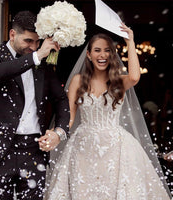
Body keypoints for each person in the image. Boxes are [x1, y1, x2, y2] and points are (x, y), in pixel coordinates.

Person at [44, 23, 171, 199]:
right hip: (83, 148)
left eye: (107, 50)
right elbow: (69, 117)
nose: (102, 55)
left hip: (116, 148)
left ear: (112, 55)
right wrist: (56, 134)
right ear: (89, 55)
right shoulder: (77, 81)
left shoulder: (119, 81)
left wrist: (130, 42)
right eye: (97, 50)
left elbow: (134, 77)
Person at [0, 11, 70, 200]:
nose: (33, 47)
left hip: (34, 150)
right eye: (28, 41)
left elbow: (61, 100)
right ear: (12, 34)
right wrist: (38, 56)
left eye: (37, 42)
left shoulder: (43, 64)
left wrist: (59, 132)